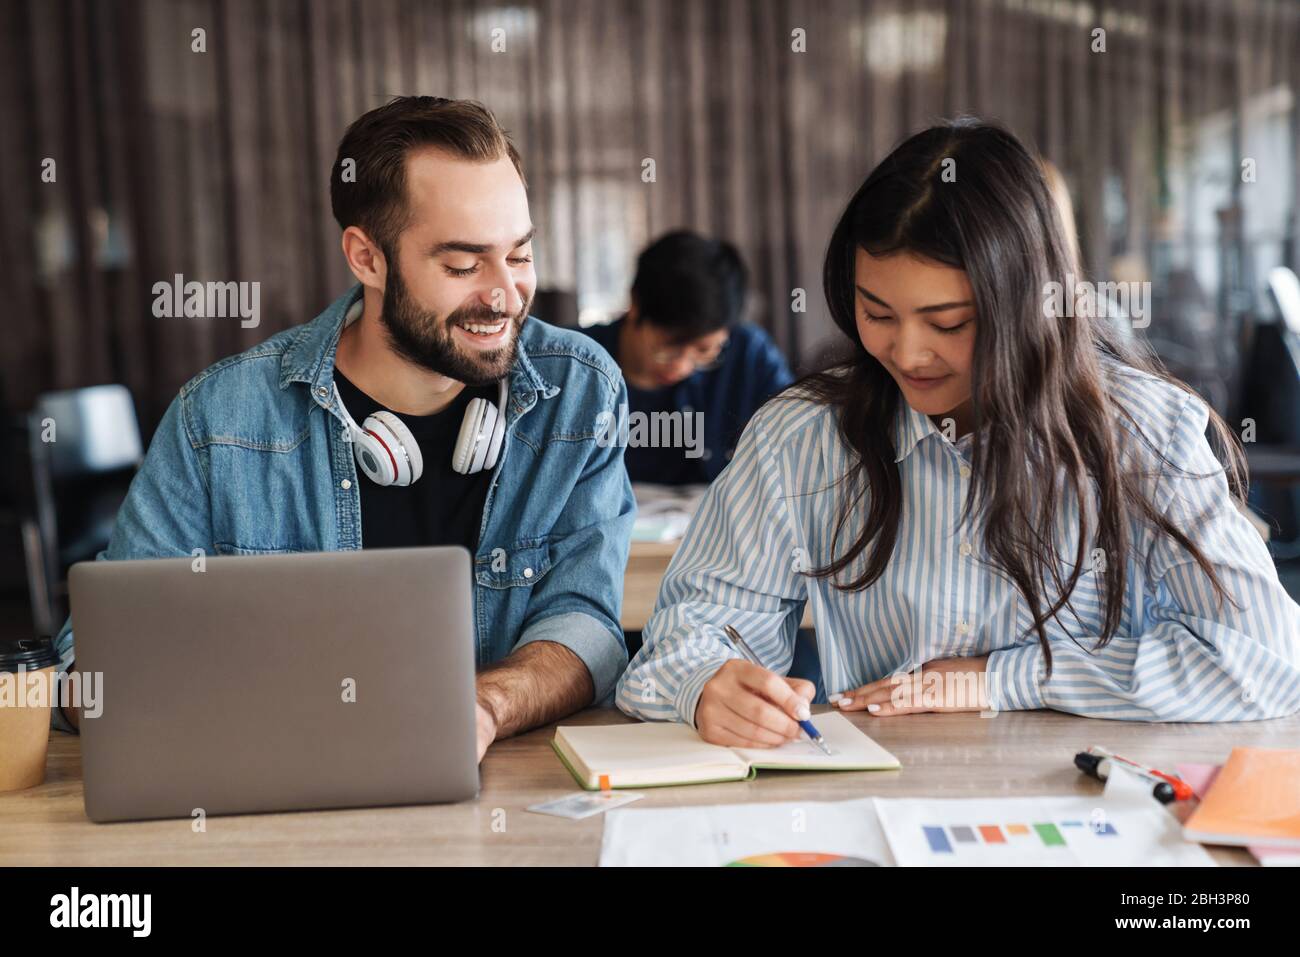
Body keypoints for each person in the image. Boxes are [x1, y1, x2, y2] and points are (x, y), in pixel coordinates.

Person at [616, 119, 1300, 746]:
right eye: (877, 312)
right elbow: (676, 643)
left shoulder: (1141, 432)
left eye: (948, 324)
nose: (909, 354)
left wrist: (1002, 677)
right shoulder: (802, 438)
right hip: (882, 806)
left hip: (1089, 814)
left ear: (1029, 307)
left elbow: (1265, 662)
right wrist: (706, 683)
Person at [54, 96, 635, 763]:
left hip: (501, 797)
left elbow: (586, 622)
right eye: (462, 264)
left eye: (520, 255)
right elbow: (88, 667)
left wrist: (479, 707)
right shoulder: (220, 418)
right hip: (275, 801)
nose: (504, 294)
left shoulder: (580, 389)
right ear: (366, 257)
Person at [581, 231, 793, 484]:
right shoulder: (575, 361)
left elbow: (794, 437)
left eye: (705, 351)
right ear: (635, 305)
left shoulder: (748, 355)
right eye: (669, 346)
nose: (681, 367)